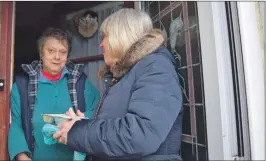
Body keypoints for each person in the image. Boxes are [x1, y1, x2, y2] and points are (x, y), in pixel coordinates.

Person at [53, 8, 183, 161]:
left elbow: (140, 135)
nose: (101, 44)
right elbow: (116, 124)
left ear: (121, 36)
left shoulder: (155, 68)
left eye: (104, 37)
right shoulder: (127, 73)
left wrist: (77, 132)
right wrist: (82, 124)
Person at [8, 28, 100, 161]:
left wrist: (82, 118)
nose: (57, 57)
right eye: (51, 51)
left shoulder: (80, 83)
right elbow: (16, 124)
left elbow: (100, 112)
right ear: (41, 53)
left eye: (62, 52)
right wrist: (21, 156)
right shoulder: (22, 86)